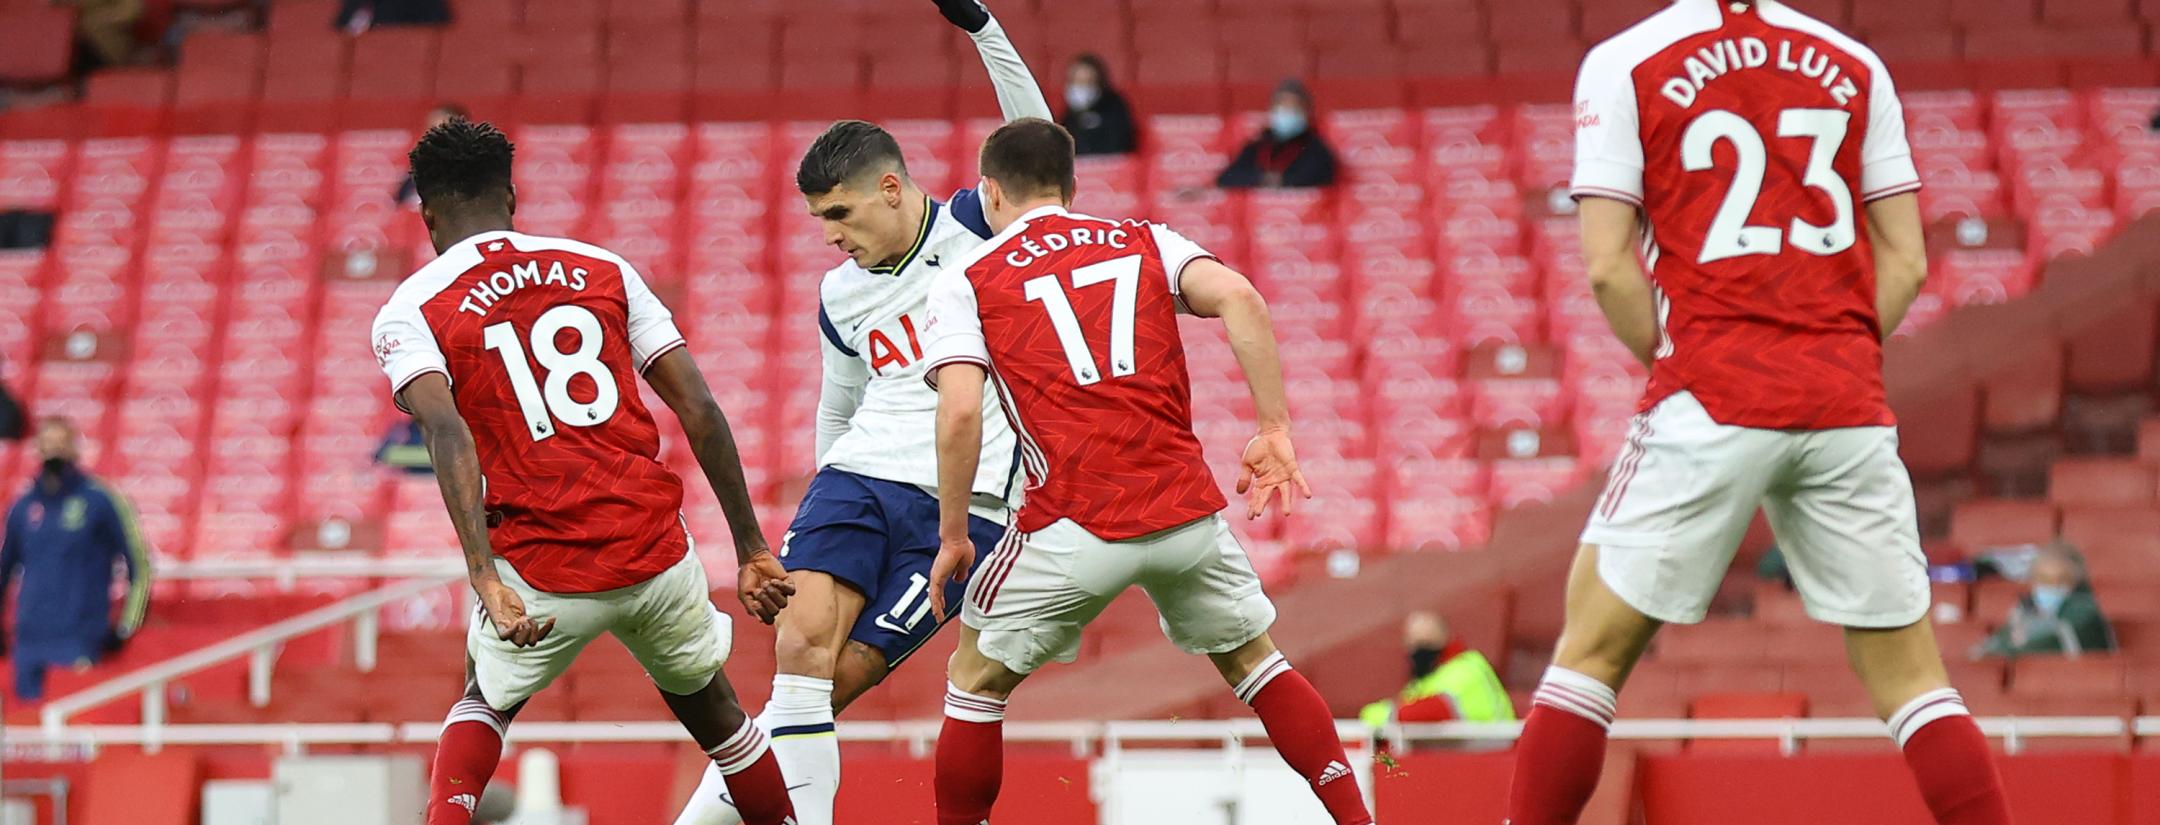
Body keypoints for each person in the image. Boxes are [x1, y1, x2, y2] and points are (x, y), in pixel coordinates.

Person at [1505, 2, 2015, 824]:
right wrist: (1829, 351)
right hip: (1845, 400)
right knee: (1916, 682)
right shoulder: (1853, 62)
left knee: (1589, 655)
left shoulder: (1626, 61)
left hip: (1711, 391)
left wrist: (1694, 367)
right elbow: (1910, 260)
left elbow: (1607, 267)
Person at [921, 118, 1375, 825]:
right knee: (1256, 662)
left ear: (989, 191)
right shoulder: (1144, 240)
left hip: (1071, 521)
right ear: (1070, 188)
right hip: (1185, 515)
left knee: (974, 681)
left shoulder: (968, 280)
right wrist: (1274, 427)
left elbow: (958, 414)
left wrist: (953, 533)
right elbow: (1243, 299)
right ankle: (1358, 817)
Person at [668, 3, 1049, 823]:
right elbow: (839, 403)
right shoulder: (840, 293)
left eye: (839, 215)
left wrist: (983, 27)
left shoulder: (976, 229)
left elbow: (1034, 133)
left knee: (837, 682)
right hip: (859, 477)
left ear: (889, 187)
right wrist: (821, 495)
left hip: (968, 504)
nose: (830, 236)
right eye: (819, 221)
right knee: (799, 649)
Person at [370, 119, 799, 825]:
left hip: (543, 569)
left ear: (428, 215)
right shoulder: (603, 267)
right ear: (511, 197)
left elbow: (446, 431)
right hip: (652, 551)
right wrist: (752, 546)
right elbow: (698, 404)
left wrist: (483, 572)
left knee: (484, 698)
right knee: (720, 716)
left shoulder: (412, 307)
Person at [0, 418, 152, 701]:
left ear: (75, 448)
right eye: (46, 444)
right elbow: (4, 569)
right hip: (29, 640)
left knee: (74, 732)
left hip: (79, 638)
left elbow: (139, 565)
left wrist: (126, 627)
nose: (53, 451)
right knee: (27, 734)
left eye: (60, 444)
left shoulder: (102, 500)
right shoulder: (23, 507)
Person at [1359, 612, 1514, 728]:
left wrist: (1374, 715)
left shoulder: (1467, 667)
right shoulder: (1423, 680)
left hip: (1495, 753)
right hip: (1458, 757)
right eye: (1415, 643)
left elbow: (1433, 710)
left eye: (1427, 642)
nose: (1421, 650)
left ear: (1445, 639)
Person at [1974, 545, 2114, 659]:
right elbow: (2002, 639)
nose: (2050, 586)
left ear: (2075, 582)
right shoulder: (2025, 608)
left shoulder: (2085, 611)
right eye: (2043, 579)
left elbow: (2052, 641)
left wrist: (2006, 651)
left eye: (2060, 580)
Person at [1216, 79, 1337, 189]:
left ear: (1306, 113)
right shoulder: (1257, 146)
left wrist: (1283, 180)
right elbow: (1226, 178)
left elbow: (1321, 176)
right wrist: (1261, 178)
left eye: (1294, 107)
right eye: (1282, 106)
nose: (1287, 111)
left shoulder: (1316, 148)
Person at [1059, 54, 1137, 156]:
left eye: (1086, 82)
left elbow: (1121, 140)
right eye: (1075, 82)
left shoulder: (1114, 106)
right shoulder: (1069, 114)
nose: (1080, 88)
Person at [396, 104, 471, 207]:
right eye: (429, 130)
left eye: (439, 131)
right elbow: (401, 202)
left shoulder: (475, 169)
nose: (431, 137)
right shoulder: (418, 171)